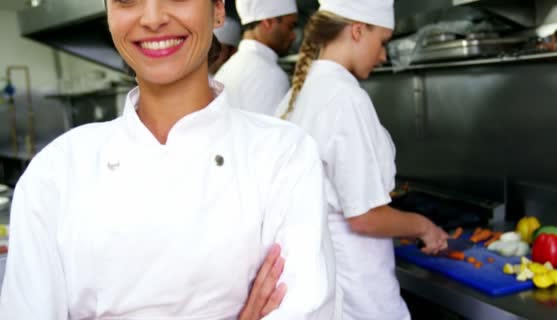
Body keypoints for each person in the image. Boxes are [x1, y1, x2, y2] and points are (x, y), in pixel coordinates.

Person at [0, 0, 337, 319]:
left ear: (218, 8)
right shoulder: (57, 171)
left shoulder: (283, 154)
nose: (152, 17)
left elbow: (306, 309)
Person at [275, 1, 449, 319]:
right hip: (359, 296)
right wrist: (424, 227)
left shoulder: (297, 94)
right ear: (357, 31)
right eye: (382, 42)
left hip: (325, 288)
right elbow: (365, 217)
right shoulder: (345, 98)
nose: (383, 55)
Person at [215, 0, 298, 115]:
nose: (293, 35)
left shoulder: (230, 67)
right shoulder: (269, 74)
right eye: (290, 26)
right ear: (268, 22)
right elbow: (272, 131)